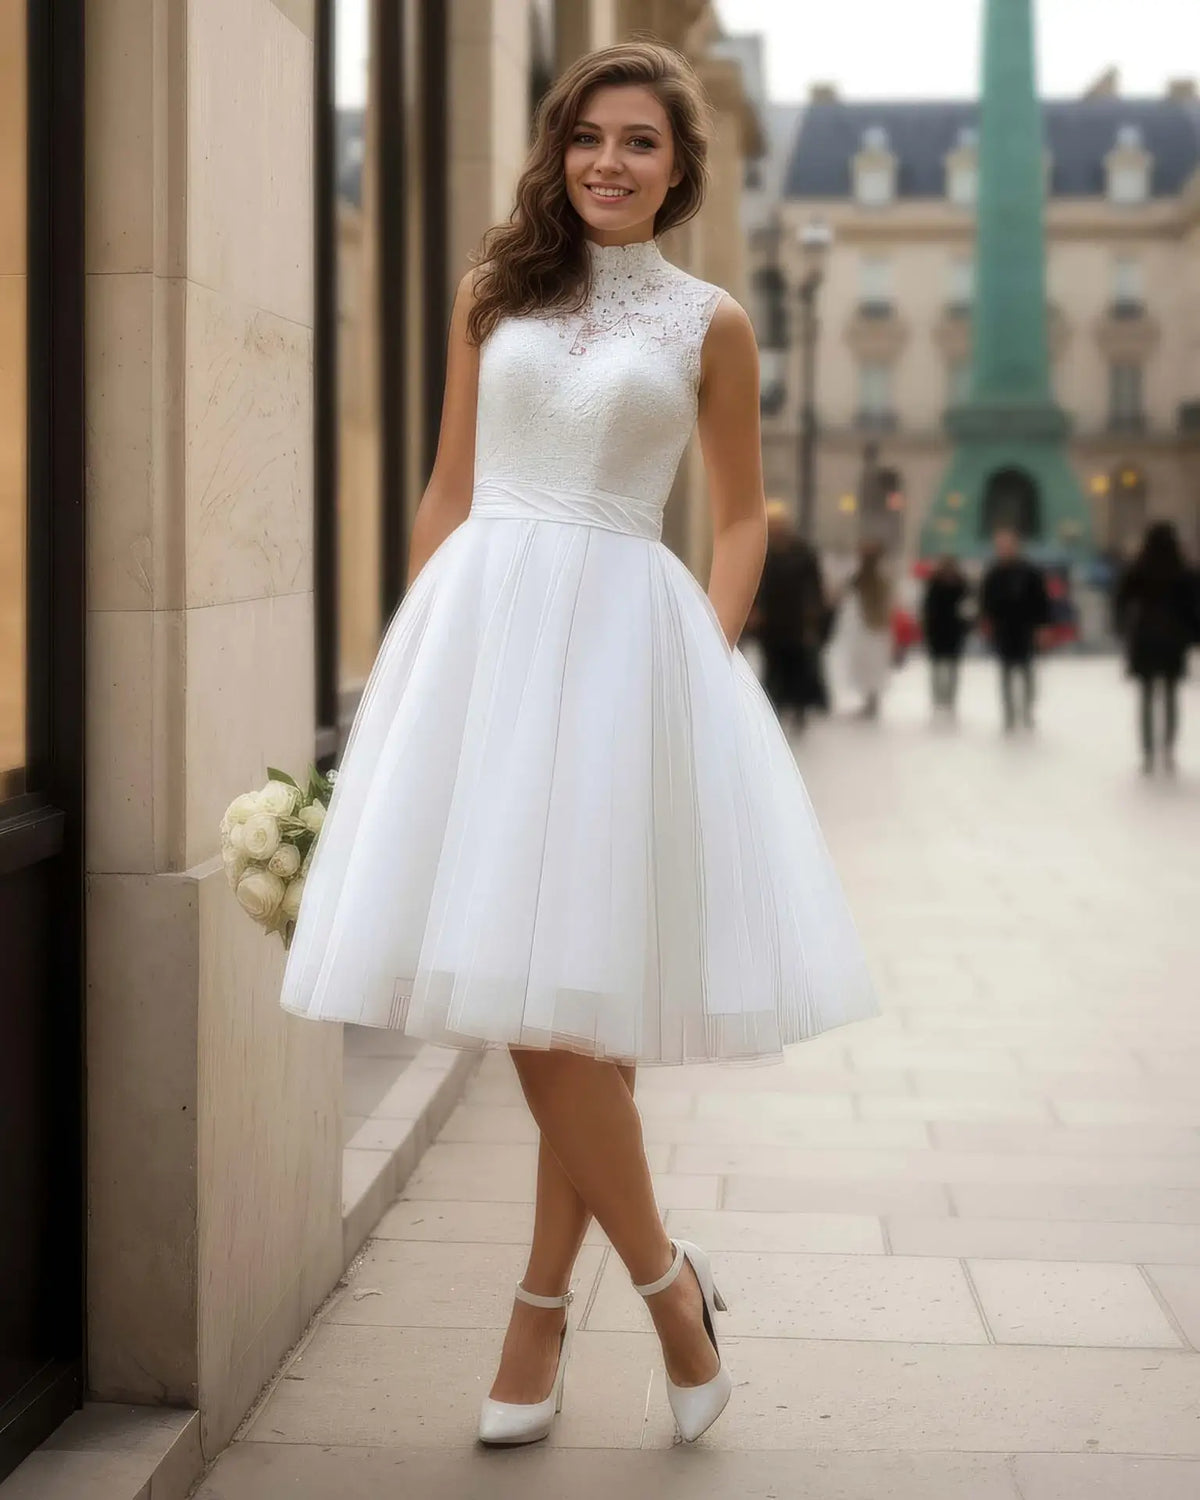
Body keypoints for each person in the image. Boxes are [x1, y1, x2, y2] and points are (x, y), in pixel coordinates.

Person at [277, 43, 877, 1449]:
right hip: (484, 643)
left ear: (680, 169)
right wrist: (416, 671)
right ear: (557, 150)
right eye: (590, 136)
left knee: (572, 1008)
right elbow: (446, 489)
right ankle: (665, 1292)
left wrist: (703, 657)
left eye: (643, 143)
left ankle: (548, 1310)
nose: (611, 160)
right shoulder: (493, 295)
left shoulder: (709, 322)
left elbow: (740, 517)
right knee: (549, 1006)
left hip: (627, 658)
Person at [1114, 521, 1199, 773]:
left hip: (1145, 637)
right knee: (1171, 696)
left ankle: (1148, 751)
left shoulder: (1139, 568)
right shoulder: (1183, 571)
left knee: (1147, 696)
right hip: (1174, 639)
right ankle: (1169, 749)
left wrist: (1122, 626)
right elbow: (1194, 607)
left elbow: (1121, 599)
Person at [747, 500, 830, 732]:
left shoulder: (803, 552)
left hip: (797, 620)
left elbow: (814, 585)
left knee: (798, 665)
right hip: (771, 621)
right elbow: (754, 583)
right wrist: (753, 610)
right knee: (772, 664)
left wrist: (814, 613)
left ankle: (799, 708)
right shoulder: (762, 551)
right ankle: (774, 708)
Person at [979, 528, 1051, 731]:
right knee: (1006, 672)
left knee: (1027, 671)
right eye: (1001, 546)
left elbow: (1041, 602)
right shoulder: (993, 574)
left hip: (1025, 629)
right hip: (1004, 630)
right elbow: (986, 602)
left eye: (1008, 545)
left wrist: (1042, 626)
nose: (1004, 549)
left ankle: (1027, 710)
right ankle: (1009, 712)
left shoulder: (1030, 573)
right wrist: (987, 622)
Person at [831, 540, 893, 718]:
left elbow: (883, 602)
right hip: (863, 628)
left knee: (874, 664)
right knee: (864, 664)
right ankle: (868, 698)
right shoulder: (857, 577)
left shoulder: (881, 577)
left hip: (874, 627)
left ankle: (872, 699)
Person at [921, 554, 973, 713]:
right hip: (936, 631)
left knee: (952, 667)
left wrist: (966, 627)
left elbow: (969, 608)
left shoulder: (963, 585)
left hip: (955, 632)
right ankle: (938, 698)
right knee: (936, 667)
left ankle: (950, 698)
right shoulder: (933, 584)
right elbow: (927, 608)